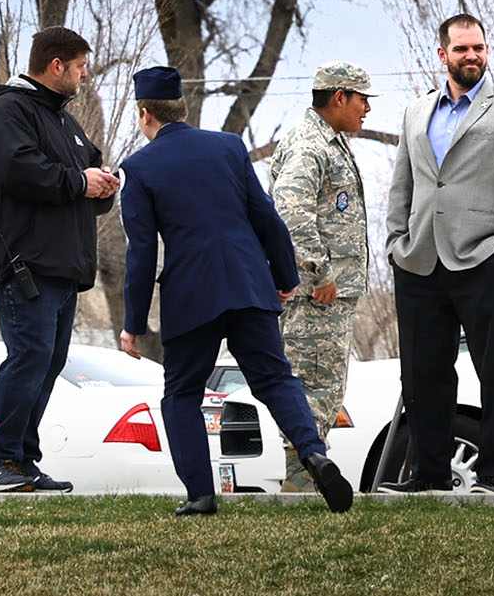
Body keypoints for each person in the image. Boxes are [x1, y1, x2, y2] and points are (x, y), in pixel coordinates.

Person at [116, 67, 354, 516]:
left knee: (182, 394)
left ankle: (201, 496)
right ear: (181, 108)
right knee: (276, 379)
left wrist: (133, 324)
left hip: (192, 296)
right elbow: (267, 218)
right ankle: (313, 452)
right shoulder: (228, 147)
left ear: (144, 114)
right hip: (249, 283)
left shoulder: (139, 168)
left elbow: (142, 253)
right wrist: (285, 279)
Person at [382, 14, 494, 494]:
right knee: (423, 375)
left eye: (479, 48)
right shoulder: (415, 112)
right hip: (418, 261)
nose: (472, 56)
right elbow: (402, 184)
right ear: (442, 55)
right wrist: (395, 243)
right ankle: (429, 476)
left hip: (481, 260)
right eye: (462, 49)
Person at [0, 24, 117, 494]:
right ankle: (0, 460)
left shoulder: (65, 122)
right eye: (79, 67)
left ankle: (22, 460)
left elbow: (86, 177)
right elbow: (20, 171)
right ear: (56, 66)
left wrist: (104, 184)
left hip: (62, 269)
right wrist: (79, 182)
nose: (85, 75)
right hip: (21, 266)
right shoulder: (7, 113)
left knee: (48, 361)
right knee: (29, 356)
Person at [268, 61, 371, 499]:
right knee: (312, 389)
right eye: (362, 98)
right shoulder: (310, 145)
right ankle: (302, 485)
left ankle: (308, 481)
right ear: (339, 97)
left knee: (324, 392)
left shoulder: (332, 142)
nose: (367, 108)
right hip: (316, 298)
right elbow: (291, 213)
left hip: (330, 295)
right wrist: (320, 274)